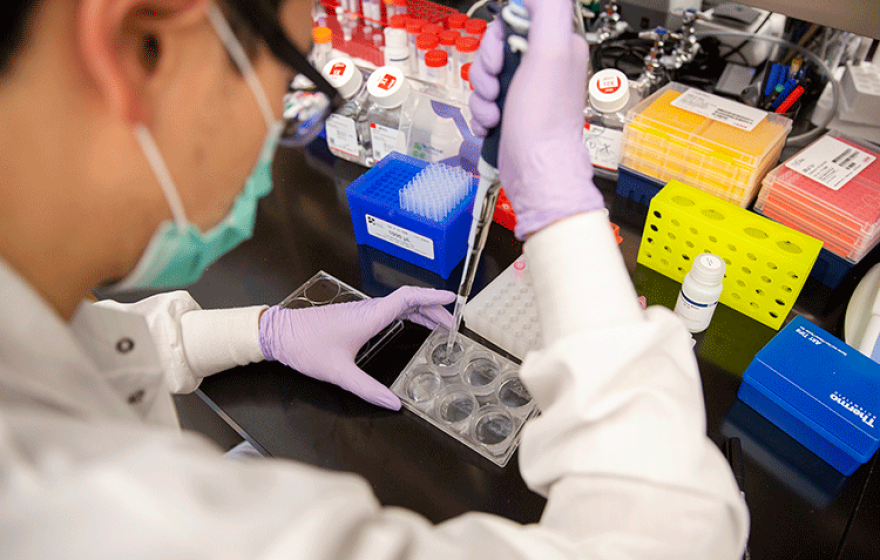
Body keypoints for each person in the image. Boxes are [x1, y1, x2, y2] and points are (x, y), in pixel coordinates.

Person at [0, 0, 749, 557]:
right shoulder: (105, 522)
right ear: (142, 43)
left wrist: (260, 330)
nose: (280, 127)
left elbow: (89, 350)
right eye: (296, 75)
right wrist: (559, 202)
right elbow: (669, 532)